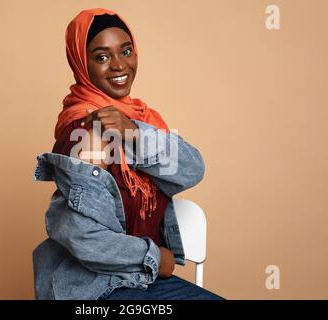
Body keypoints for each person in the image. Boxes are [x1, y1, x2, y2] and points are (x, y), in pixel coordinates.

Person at [33, 8, 224, 300]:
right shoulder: (84, 135)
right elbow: (82, 238)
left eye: (126, 51)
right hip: (95, 290)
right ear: (82, 64)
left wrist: (133, 132)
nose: (119, 66)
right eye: (102, 57)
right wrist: (154, 257)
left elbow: (192, 169)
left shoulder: (138, 120)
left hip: (144, 282)